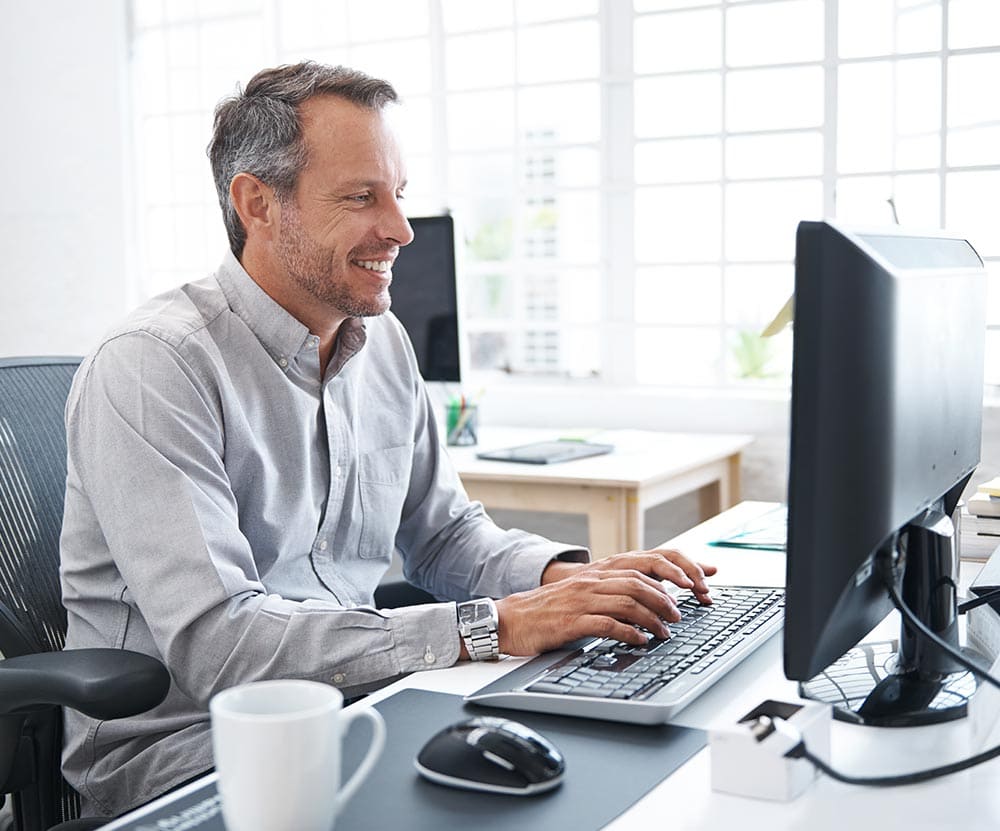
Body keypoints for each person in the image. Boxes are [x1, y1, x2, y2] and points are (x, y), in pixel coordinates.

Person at [59, 61, 716, 818]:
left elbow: (444, 537)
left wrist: (573, 579)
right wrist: (493, 624)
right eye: (361, 197)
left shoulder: (381, 341)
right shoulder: (155, 365)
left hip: (364, 701)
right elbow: (223, 645)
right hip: (191, 747)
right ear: (258, 202)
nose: (401, 230)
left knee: (617, 765)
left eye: (397, 195)